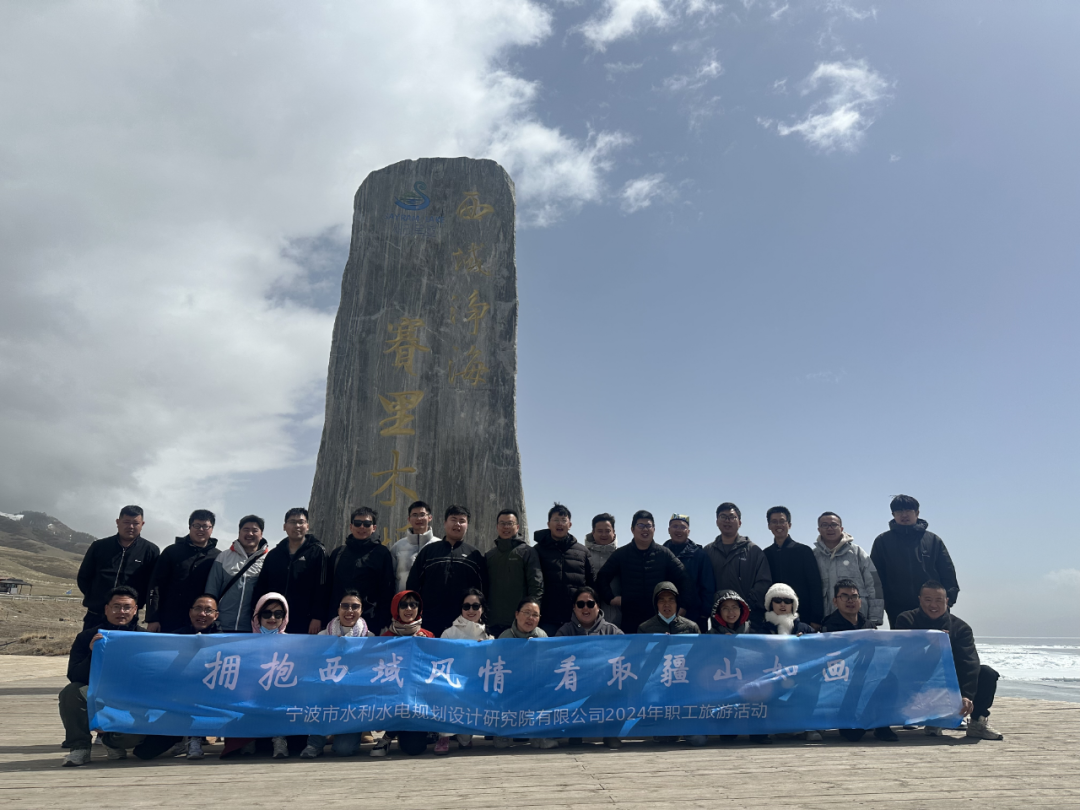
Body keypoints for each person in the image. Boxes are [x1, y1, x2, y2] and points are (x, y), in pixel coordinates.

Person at [59, 586, 173, 765]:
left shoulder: (146, 639)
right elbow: (74, 676)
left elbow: (156, 677)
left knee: (132, 736)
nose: (121, 612)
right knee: (71, 692)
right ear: (106, 609)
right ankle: (80, 747)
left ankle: (112, 742)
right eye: (116, 607)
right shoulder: (87, 637)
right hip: (98, 693)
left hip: (132, 698)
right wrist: (93, 654)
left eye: (127, 607)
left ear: (135, 610)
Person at [894, 581, 1003, 740]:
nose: (933, 605)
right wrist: (927, 642)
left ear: (946, 601)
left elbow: (969, 663)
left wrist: (966, 695)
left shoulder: (961, 628)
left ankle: (977, 724)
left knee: (986, 673)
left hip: (950, 681)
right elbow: (901, 657)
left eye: (938, 600)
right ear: (920, 599)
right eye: (928, 599)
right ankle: (935, 717)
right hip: (918, 680)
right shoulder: (906, 620)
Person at [819, 579, 898, 742]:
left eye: (854, 596)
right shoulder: (828, 627)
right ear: (835, 601)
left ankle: (882, 726)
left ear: (860, 601)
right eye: (844, 596)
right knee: (852, 736)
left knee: (891, 678)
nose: (850, 601)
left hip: (868, 676)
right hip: (843, 681)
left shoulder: (869, 626)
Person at [301, 590, 372, 759]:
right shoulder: (323, 636)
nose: (350, 611)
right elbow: (313, 669)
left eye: (355, 606)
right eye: (345, 606)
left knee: (343, 750)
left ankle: (348, 735)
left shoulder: (369, 638)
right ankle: (315, 743)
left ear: (361, 610)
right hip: (327, 698)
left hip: (353, 703)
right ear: (338, 609)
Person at [871, 495, 960, 627]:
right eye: (899, 511)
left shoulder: (933, 540)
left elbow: (948, 573)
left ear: (917, 513)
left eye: (908, 510)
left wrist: (947, 602)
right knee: (903, 640)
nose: (904, 515)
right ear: (893, 515)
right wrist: (884, 603)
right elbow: (875, 578)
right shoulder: (882, 541)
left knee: (934, 640)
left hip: (932, 607)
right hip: (897, 608)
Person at [594, 510, 687, 634]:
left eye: (648, 526)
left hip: (659, 620)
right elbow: (602, 577)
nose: (645, 529)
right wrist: (610, 598)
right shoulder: (622, 554)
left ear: (654, 529)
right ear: (632, 529)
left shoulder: (664, 554)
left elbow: (684, 579)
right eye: (641, 525)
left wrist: (682, 607)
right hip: (630, 619)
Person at [406, 505, 489, 638]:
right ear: (445, 523)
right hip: (429, 621)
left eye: (462, 521)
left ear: (467, 525)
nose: (457, 524)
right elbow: (413, 585)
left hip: (464, 624)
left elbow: (483, 591)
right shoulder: (429, 551)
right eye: (453, 519)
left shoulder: (474, 555)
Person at [557, 586, 623, 749]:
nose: (585, 608)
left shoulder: (611, 630)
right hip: (576, 685)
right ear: (574, 608)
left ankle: (611, 733)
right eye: (580, 604)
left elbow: (628, 654)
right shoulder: (565, 631)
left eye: (590, 604)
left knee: (620, 684)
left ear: (598, 606)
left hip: (604, 685)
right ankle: (575, 731)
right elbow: (555, 658)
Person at [77, 505, 160, 631]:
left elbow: (152, 584)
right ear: (118, 522)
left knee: (126, 644)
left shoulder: (150, 550)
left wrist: (137, 602)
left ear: (142, 524)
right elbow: (84, 577)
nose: (131, 526)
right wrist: (96, 597)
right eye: (126, 522)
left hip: (128, 616)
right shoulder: (99, 546)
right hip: (96, 613)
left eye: (135, 523)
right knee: (92, 643)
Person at [372, 590, 434, 758]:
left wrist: (425, 645)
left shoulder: (428, 636)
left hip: (419, 700)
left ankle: (394, 734)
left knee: (414, 748)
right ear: (396, 609)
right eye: (404, 605)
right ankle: (387, 736)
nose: (409, 609)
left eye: (413, 604)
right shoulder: (385, 638)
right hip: (393, 697)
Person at [434, 588, 492, 755]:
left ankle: (464, 735)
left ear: (482, 608)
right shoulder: (449, 633)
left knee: (465, 740)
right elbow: (441, 662)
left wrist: (487, 649)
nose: (471, 610)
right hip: (452, 682)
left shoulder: (488, 635)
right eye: (466, 606)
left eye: (475, 606)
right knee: (445, 692)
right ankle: (443, 736)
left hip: (475, 685)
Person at [252, 508, 327, 635]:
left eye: (301, 522)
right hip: (275, 619)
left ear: (307, 526)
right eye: (292, 522)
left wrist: (317, 617)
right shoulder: (274, 555)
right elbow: (262, 586)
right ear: (284, 526)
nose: (297, 526)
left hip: (305, 620)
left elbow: (322, 587)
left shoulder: (318, 552)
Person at [493, 599, 556, 750]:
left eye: (535, 615)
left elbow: (547, 666)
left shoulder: (542, 636)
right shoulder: (505, 637)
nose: (530, 618)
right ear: (516, 614)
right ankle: (502, 734)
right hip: (510, 686)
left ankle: (540, 736)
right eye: (526, 613)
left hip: (535, 686)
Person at [146, 510, 221, 633]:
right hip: (169, 619)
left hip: (202, 621)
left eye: (205, 526)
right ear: (190, 527)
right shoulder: (171, 551)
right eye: (197, 525)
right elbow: (155, 585)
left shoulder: (218, 557)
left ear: (212, 529)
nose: (201, 530)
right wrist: (152, 618)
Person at [325, 506, 396, 635]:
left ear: (374, 528)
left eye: (367, 524)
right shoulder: (338, 553)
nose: (362, 527)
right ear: (351, 526)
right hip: (338, 620)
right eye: (358, 523)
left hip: (371, 620)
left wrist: (384, 621)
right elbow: (327, 587)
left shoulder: (382, 553)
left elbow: (387, 589)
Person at [813, 512, 883, 628]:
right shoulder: (814, 556)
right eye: (825, 525)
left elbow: (874, 585)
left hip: (859, 620)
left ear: (841, 528)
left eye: (834, 525)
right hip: (827, 622)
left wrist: (875, 617)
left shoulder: (857, 553)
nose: (830, 528)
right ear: (819, 529)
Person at [704, 503, 772, 621]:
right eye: (723, 517)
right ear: (717, 522)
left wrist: (744, 606)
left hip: (748, 617)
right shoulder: (708, 551)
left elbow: (763, 582)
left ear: (739, 522)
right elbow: (703, 584)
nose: (727, 520)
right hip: (717, 617)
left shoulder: (754, 551)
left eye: (732, 517)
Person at [534, 503, 593, 637]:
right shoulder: (537, 551)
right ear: (548, 524)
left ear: (569, 524)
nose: (560, 524)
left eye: (563, 520)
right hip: (547, 618)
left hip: (576, 618)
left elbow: (591, 584)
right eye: (556, 520)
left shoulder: (582, 552)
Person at [761, 507, 824, 629]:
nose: (778, 525)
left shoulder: (804, 551)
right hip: (773, 619)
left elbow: (815, 585)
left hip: (803, 617)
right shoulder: (765, 554)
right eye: (774, 522)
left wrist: (816, 618)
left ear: (789, 525)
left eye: (782, 521)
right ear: (769, 526)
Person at [485, 509, 543, 638]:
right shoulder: (490, 556)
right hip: (493, 623)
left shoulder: (527, 552)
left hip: (519, 625)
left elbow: (536, 587)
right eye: (502, 523)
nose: (506, 527)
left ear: (517, 527)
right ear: (497, 527)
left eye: (510, 523)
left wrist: (532, 615)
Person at [205, 514, 269, 632]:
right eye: (246, 529)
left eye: (255, 530)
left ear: (261, 534)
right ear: (239, 532)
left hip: (253, 629)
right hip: (221, 627)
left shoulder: (269, 560)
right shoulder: (224, 557)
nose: (250, 534)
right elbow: (211, 591)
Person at [662, 513, 716, 633]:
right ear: (669, 530)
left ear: (688, 531)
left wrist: (704, 615)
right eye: (675, 526)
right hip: (664, 615)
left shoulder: (699, 555)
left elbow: (708, 586)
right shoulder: (660, 553)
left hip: (694, 617)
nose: (678, 530)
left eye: (683, 527)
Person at [389, 500, 436, 592]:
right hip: (404, 598)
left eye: (422, 514)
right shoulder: (398, 547)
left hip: (431, 599)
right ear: (409, 519)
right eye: (414, 515)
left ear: (430, 517)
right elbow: (391, 578)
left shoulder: (439, 545)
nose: (419, 518)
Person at [584, 513, 621, 628]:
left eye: (607, 531)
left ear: (614, 532)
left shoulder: (622, 554)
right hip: (588, 614)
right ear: (593, 532)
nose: (604, 534)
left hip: (617, 612)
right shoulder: (583, 554)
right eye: (600, 531)